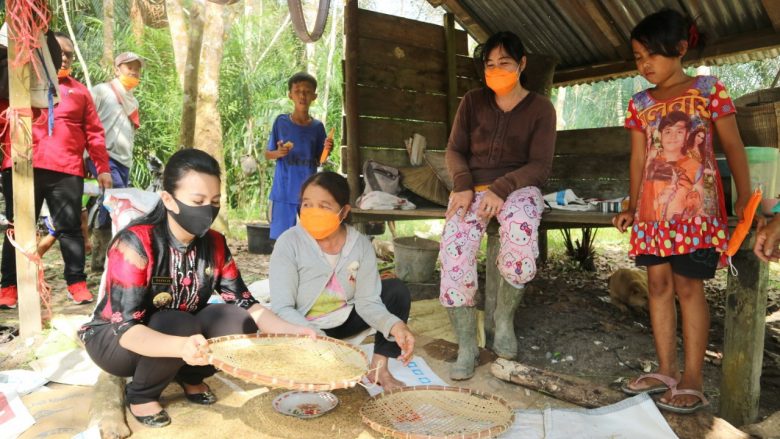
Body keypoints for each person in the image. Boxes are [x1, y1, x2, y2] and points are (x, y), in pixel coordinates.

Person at [78, 149, 314, 428]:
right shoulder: (135, 243)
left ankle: (190, 376)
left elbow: (246, 302)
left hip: (181, 334)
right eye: (197, 201)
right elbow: (126, 329)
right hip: (115, 341)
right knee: (177, 323)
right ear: (168, 199)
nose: (207, 210)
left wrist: (293, 330)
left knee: (237, 320)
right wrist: (181, 345)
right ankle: (141, 393)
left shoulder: (214, 243)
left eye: (214, 201)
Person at [613, 9, 751, 414]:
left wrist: (744, 196)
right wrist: (630, 204)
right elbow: (639, 160)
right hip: (654, 218)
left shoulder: (709, 91)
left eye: (651, 55)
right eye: (638, 58)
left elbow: (734, 146)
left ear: (679, 48)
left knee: (689, 289)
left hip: (695, 213)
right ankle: (666, 370)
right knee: (657, 287)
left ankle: (693, 377)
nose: (644, 65)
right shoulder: (640, 103)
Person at [440, 31, 556, 380]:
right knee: (454, 247)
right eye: (490, 65)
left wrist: (503, 188)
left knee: (520, 239)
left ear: (521, 64)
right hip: (472, 190)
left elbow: (541, 165)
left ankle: (504, 321)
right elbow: (454, 150)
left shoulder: (540, 108)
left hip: (519, 189)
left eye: (504, 63)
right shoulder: (473, 101)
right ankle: (466, 344)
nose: (496, 70)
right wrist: (461, 185)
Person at [270, 172, 415, 390]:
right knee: (314, 381)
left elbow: (368, 301)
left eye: (324, 206)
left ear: (344, 211)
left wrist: (394, 325)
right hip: (304, 328)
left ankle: (380, 369)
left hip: (345, 320)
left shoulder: (360, 246)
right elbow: (282, 307)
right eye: (307, 204)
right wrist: (318, 339)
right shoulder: (289, 243)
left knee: (395, 290)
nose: (312, 212)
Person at [0, 32, 112, 309]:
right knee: (18, 229)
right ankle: (9, 288)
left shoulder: (79, 91)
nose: (63, 57)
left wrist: (103, 168)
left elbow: (94, 133)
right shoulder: (17, 85)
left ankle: (77, 284)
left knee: (70, 228)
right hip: (21, 166)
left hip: (66, 169)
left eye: (69, 54)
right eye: (58, 52)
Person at [87, 51, 143, 273]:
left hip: (123, 160)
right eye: (129, 67)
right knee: (118, 201)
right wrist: (86, 155)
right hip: (103, 156)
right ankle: (119, 259)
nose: (134, 71)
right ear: (117, 69)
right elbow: (86, 117)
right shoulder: (102, 91)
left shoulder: (133, 100)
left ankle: (100, 260)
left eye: (137, 68)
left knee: (108, 205)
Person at [264, 72, 333, 240]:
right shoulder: (281, 122)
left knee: (311, 239)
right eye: (297, 91)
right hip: (283, 193)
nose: (302, 95)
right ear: (290, 95)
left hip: (309, 194)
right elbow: (267, 154)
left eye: (307, 91)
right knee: (281, 241)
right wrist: (278, 153)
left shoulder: (317, 127)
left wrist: (327, 149)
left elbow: (320, 160)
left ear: (314, 96)